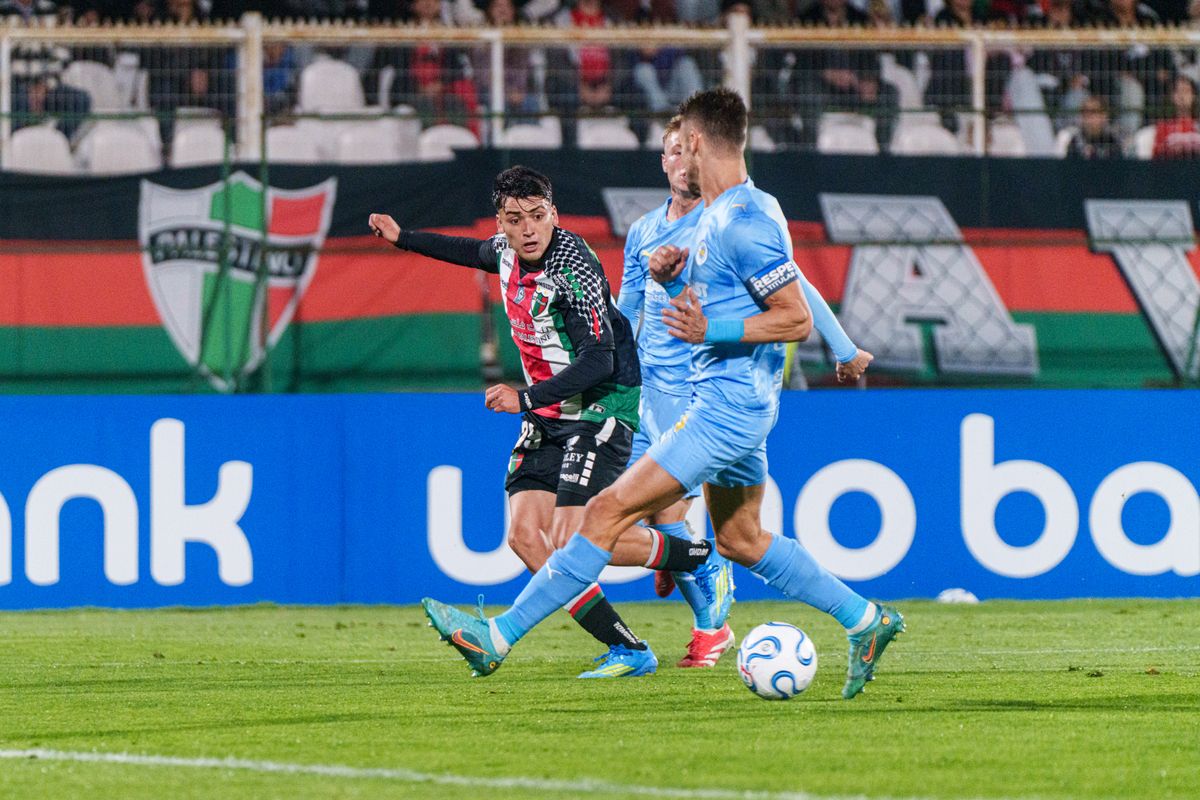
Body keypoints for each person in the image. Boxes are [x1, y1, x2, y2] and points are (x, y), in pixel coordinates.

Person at [423, 89, 902, 701]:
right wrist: (676, 279)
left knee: (600, 514)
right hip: (730, 403)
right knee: (741, 539)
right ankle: (866, 620)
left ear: (697, 144)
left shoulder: (745, 219)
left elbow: (792, 318)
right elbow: (720, 295)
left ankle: (498, 637)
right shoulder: (728, 213)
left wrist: (715, 330)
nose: (676, 157)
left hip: (723, 407)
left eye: (682, 146)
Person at [369, 167, 722, 678]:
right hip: (551, 411)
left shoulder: (572, 266)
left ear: (553, 214)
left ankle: (696, 556)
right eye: (516, 219)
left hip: (600, 404)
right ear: (503, 222)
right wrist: (404, 239)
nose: (529, 228)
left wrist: (525, 398)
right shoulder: (507, 250)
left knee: (573, 535)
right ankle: (629, 649)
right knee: (527, 537)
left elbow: (599, 359)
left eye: (538, 216)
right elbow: (468, 252)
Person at [617, 116, 736, 669]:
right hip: (647, 392)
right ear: (663, 161)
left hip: (700, 391)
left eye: (691, 152)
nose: (682, 162)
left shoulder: (725, 224)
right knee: (635, 515)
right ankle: (686, 561)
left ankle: (711, 630)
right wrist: (610, 368)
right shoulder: (642, 232)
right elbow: (626, 312)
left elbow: (733, 306)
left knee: (664, 513)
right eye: (672, 152)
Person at [1152, 75, 1200, 158]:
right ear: (1172, 96)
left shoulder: (1198, 125)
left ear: (1193, 96)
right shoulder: (1163, 126)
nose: (1182, 96)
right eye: (1178, 91)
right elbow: (1157, 157)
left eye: (1186, 91)